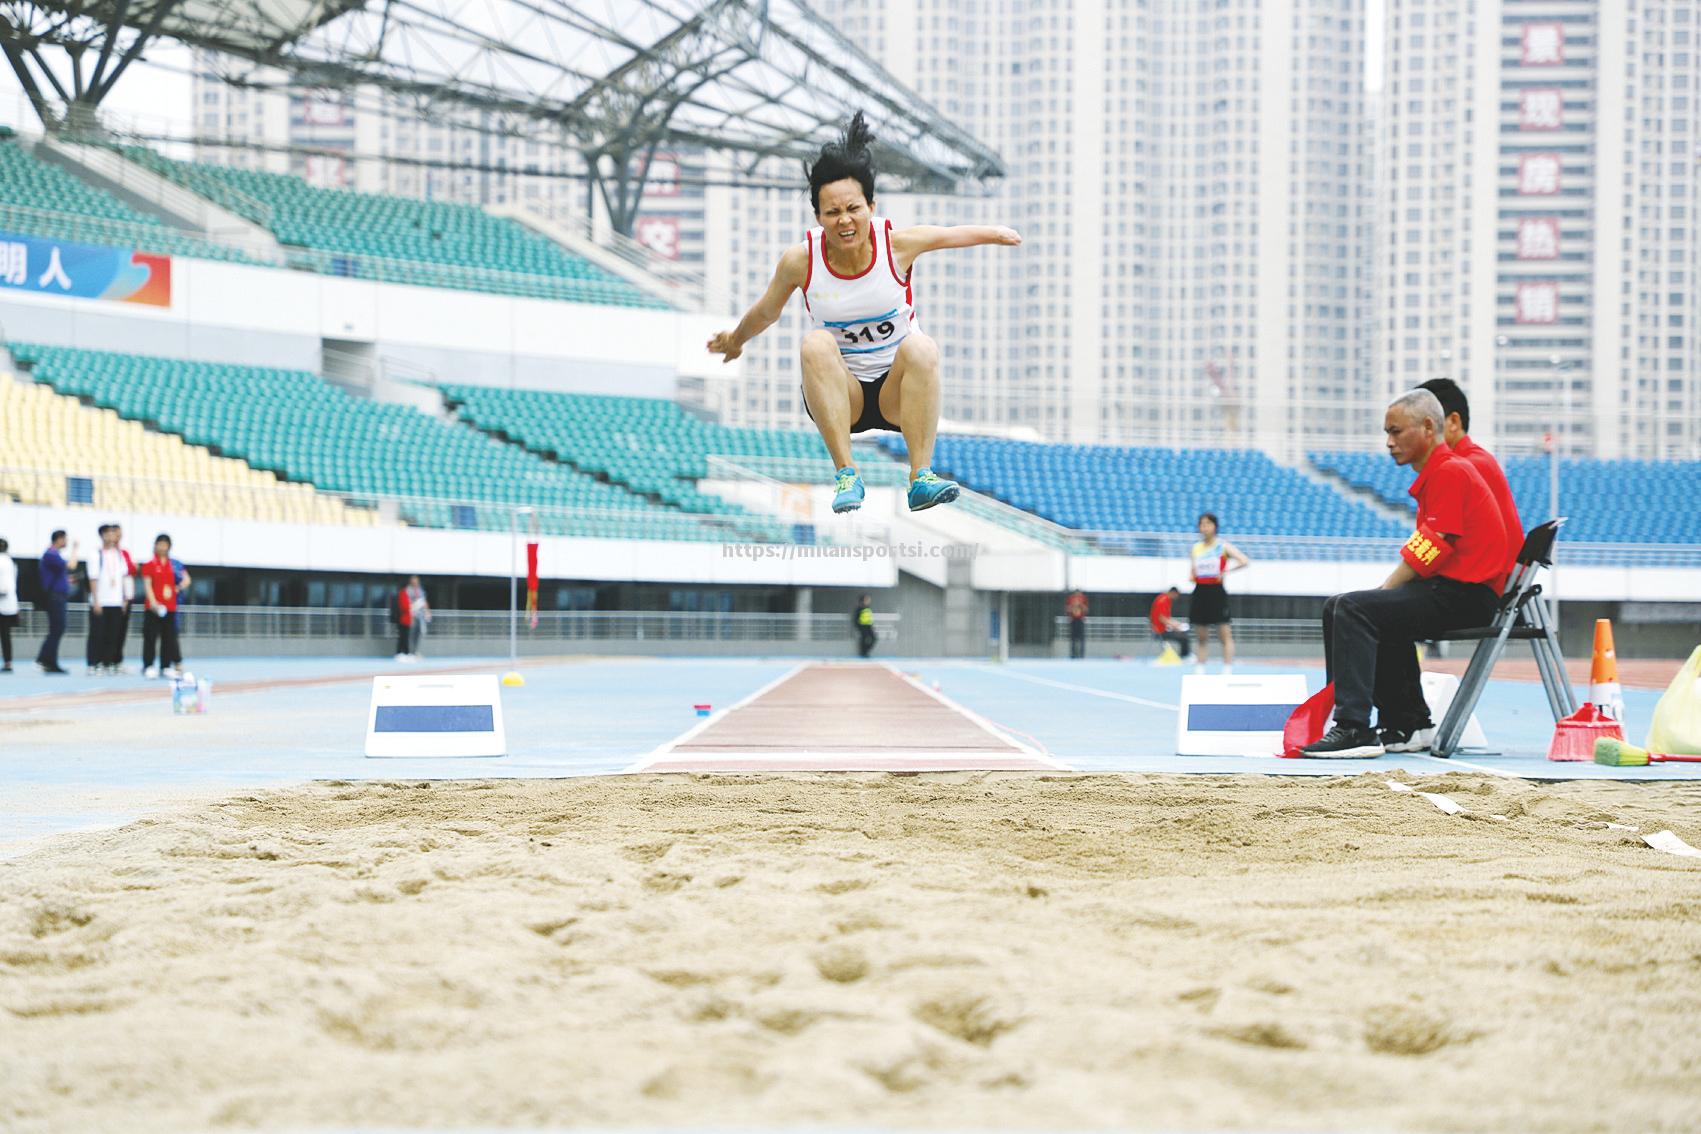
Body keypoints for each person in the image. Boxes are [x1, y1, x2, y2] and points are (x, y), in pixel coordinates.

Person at [706, 112, 1022, 515]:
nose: (844, 221)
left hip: (897, 395)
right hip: (844, 397)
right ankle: (846, 473)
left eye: (853, 208)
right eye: (832, 212)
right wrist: (734, 341)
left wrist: (997, 233)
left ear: (871, 206)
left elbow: (951, 234)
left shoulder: (898, 246)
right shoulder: (801, 262)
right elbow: (766, 312)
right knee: (816, 343)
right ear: (818, 217)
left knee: (921, 347)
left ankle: (920, 476)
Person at [1303, 389, 1510, 758]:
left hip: (1467, 595)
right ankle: (1408, 723)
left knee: (1353, 608)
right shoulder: (1444, 471)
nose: (1389, 442)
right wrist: (1384, 595)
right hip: (1456, 591)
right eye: (1387, 432)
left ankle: (1353, 727)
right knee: (1347, 606)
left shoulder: (1451, 470)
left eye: (1396, 432)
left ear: (1429, 427)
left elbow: (1433, 544)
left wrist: (1383, 591)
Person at [1417, 377, 1523, 588]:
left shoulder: (1460, 469)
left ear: (1453, 422)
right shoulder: (1476, 461)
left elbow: (1431, 544)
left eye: (1426, 425)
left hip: (1473, 589)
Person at [1188, 512, 1250, 673]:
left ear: (1215, 527)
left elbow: (1244, 561)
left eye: (1208, 524)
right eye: (1202, 524)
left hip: (1217, 592)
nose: (1204, 527)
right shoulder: (1196, 548)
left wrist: (1226, 571)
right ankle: (1200, 667)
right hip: (1200, 591)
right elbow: (1193, 569)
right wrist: (1192, 575)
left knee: (1224, 632)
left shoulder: (1222, 546)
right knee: (1201, 633)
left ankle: (1227, 667)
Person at [139, 533, 190, 679]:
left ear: (169, 547)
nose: (162, 547)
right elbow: (147, 585)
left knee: (168, 637)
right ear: (155, 546)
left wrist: (178, 588)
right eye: (159, 544)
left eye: (165, 544)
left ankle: (165, 666)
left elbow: (185, 580)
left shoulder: (173, 565)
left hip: (170, 606)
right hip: (153, 607)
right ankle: (148, 665)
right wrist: (153, 602)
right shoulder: (149, 565)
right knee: (150, 637)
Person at [88, 524, 137, 675]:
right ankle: (94, 664)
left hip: (116, 601)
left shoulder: (119, 555)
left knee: (113, 634)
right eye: (107, 534)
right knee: (98, 634)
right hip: (101, 601)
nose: (111, 537)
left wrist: (124, 600)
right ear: (102, 536)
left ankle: (108, 663)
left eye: (113, 534)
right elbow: (93, 578)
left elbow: (123, 578)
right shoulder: (96, 554)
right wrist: (96, 600)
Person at [35, 530, 76, 674]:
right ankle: (46, 659)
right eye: (65, 539)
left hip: (57, 596)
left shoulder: (53, 555)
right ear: (59, 539)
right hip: (55, 597)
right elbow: (71, 565)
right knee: (58, 628)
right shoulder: (51, 554)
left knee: (56, 629)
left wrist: (67, 580)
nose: (67, 542)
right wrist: (75, 549)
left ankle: (47, 659)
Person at [1149, 586, 1192, 660]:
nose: (1177, 597)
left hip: (1162, 629)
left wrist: (1176, 625)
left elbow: (1166, 618)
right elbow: (1162, 618)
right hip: (1160, 631)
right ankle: (1185, 656)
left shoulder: (1165, 599)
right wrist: (1176, 626)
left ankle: (1184, 655)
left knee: (1182, 634)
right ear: (1173, 593)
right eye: (1176, 595)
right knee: (1184, 637)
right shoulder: (1163, 600)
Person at [0, 537, 17, 673]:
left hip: (2, 603)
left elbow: (3, 587)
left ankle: (7, 662)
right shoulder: (10, 561)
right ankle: (8, 662)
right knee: (6, 635)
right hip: (10, 605)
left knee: (5, 635)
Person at [405, 575, 431, 659]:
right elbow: (406, 602)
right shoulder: (408, 590)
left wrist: (427, 612)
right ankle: (410, 652)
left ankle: (415, 651)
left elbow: (424, 601)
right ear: (411, 581)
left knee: (418, 633)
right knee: (411, 634)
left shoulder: (420, 590)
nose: (415, 582)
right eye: (413, 581)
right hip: (411, 614)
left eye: (416, 581)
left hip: (420, 616)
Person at [1065, 589, 1089, 659]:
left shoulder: (1083, 598)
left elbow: (1086, 609)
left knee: (1081, 638)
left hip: (1080, 619)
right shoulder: (1070, 598)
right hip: (1073, 619)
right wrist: (1073, 607)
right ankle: (1072, 654)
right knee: (1073, 639)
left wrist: (1080, 605)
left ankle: (1081, 655)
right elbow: (1067, 609)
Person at [854, 594, 876, 658]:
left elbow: (869, 617)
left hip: (869, 626)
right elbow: (856, 619)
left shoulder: (868, 608)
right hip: (862, 626)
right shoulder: (859, 608)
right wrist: (858, 626)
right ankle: (863, 653)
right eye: (867, 599)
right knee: (863, 639)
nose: (868, 601)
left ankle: (866, 651)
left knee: (874, 638)